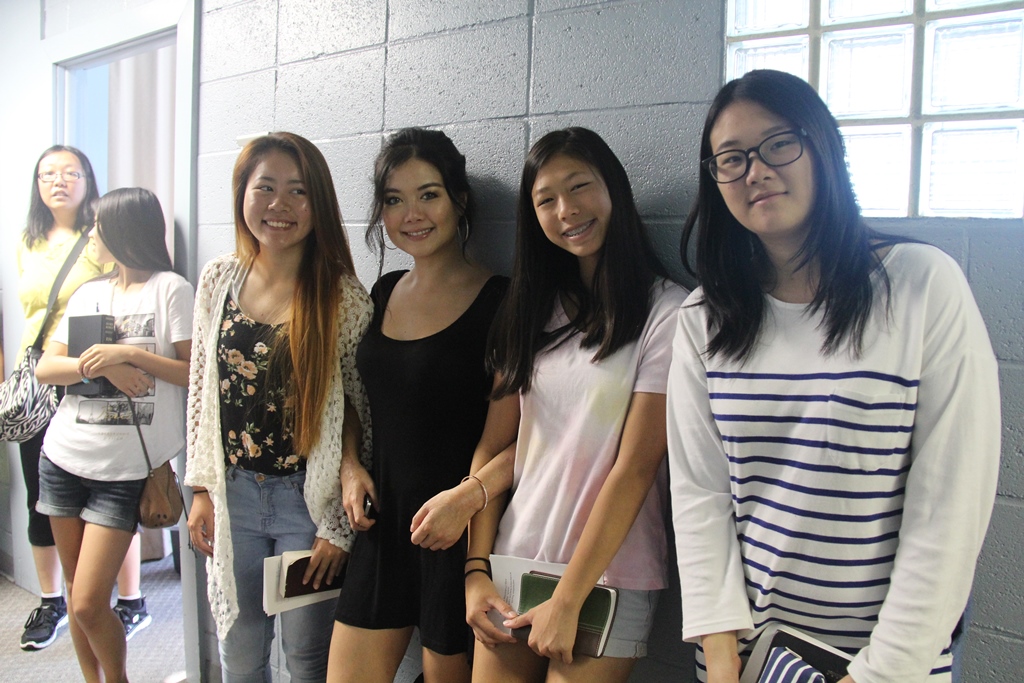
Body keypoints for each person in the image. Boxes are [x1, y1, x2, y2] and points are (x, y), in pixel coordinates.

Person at [666, 69, 1000, 683]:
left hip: (890, 663)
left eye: (778, 144)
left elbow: (950, 509)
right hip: (747, 659)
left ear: (823, 148)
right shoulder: (702, 318)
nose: (755, 171)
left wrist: (881, 672)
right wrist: (720, 656)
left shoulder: (923, 284)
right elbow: (699, 496)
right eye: (731, 159)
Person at [464, 127, 687, 683]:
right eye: (546, 200)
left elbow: (636, 468)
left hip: (608, 577)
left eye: (579, 186)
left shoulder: (668, 313)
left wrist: (567, 598)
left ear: (613, 188)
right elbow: (494, 446)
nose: (566, 210)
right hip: (513, 562)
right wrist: (475, 569)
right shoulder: (529, 309)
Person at [184, 132, 372, 683]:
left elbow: (360, 411)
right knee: (240, 654)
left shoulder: (343, 298)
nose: (279, 205)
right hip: (233, 497)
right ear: (242, 195)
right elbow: (201, 390)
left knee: (307, 657)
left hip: (305, 504)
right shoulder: (219, 279)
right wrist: (201, 489)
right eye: (265, 188)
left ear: (319, 203)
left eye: (298, 191)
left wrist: (336, 526)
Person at [328, 128, 510, 683]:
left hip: (459, 530)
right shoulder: (382, 291)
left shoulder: (502, 301)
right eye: (394, 199)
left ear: (459, 200)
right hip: (382, 528)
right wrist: (349, 464)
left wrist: (465, 501)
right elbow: (357, 400)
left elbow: (525, 438)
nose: (412, 214)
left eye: (428, 194)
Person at [34, 187, 193, 682]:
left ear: (123, 231)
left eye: (97, 227)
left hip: (124, 473)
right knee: (76, 594)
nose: (90, 236)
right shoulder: (90, 292)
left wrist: (130, 355)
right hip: (63, 457)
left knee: (87, 602)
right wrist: (101, 367)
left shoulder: (170, 289)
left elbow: (193, 373)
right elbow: (46, 368)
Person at [15, 145, 148, 650]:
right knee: (44, 493)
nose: (59, 181)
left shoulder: (99, 236)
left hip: (95, 370)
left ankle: (130, 599)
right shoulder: (29, 240)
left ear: (88, 180)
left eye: (70, 172)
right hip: (40, 375)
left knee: (111, 488)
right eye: (48, 173)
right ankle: (52, 600)